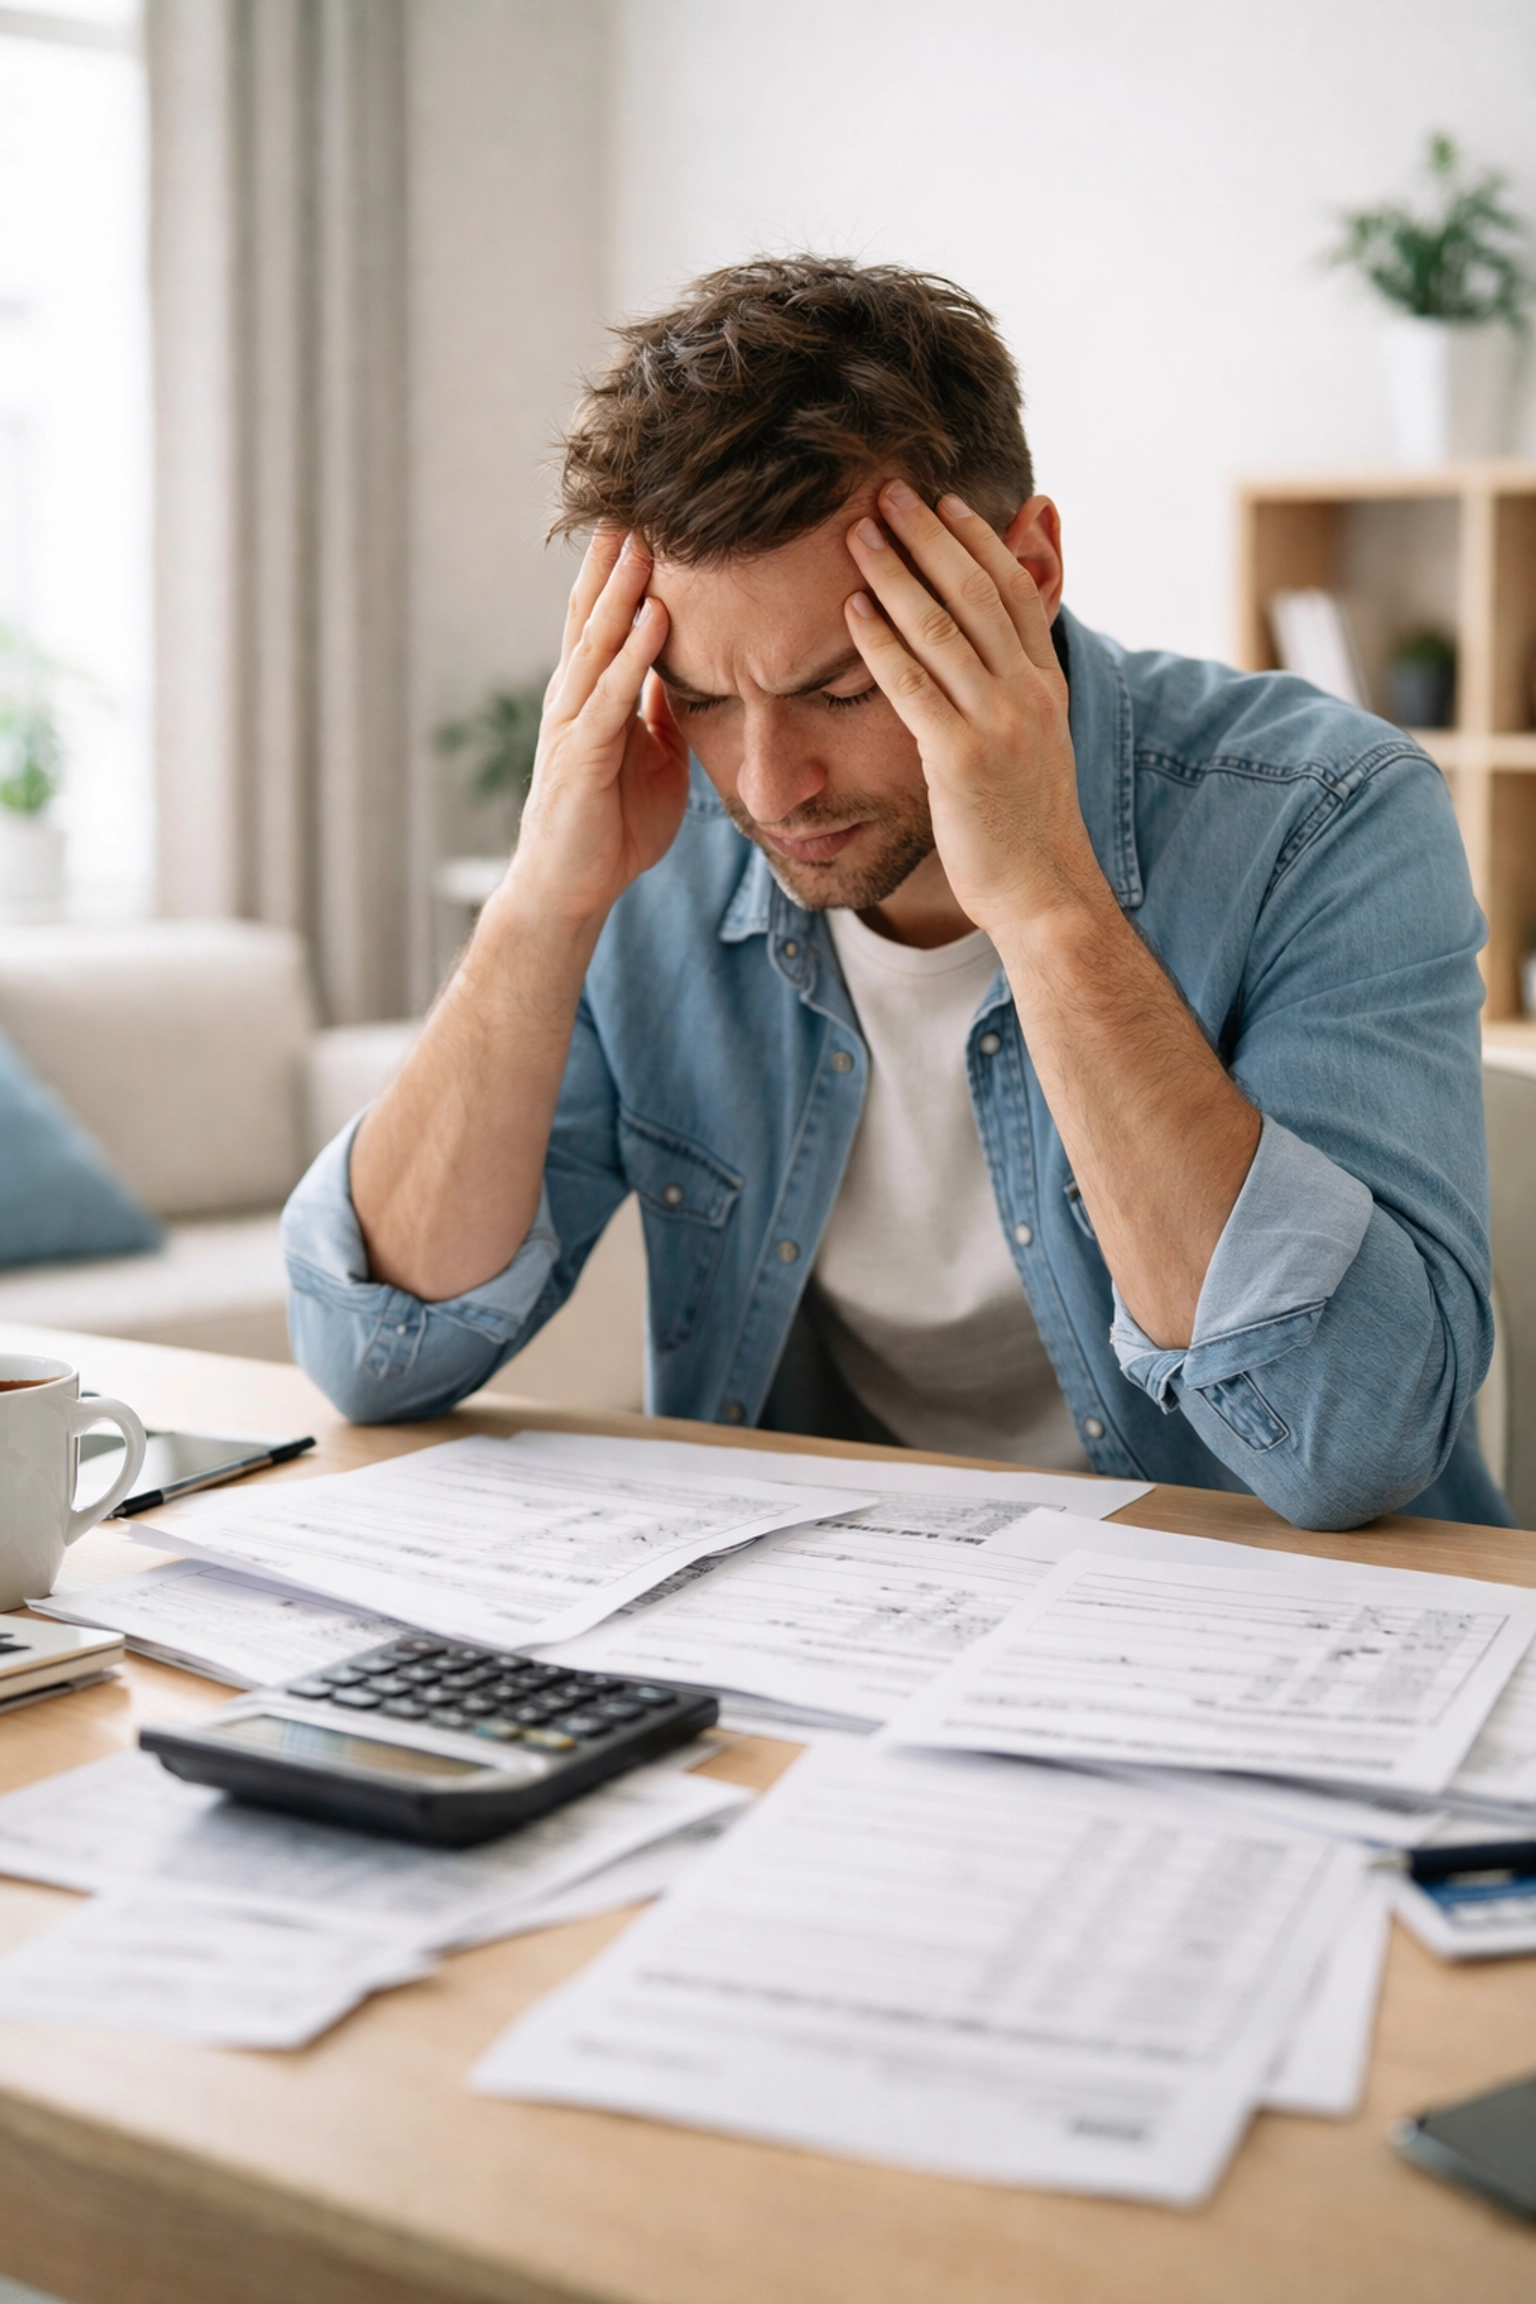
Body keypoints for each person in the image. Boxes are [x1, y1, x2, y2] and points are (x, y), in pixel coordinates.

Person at [283, 254, 1509, 1532]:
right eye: (702, 695)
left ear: (1026, 572)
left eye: (846, 687)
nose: (769, 785)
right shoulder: (654, 837)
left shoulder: (1323, 811)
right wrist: (544, 902)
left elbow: (1350, 1443)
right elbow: (377, 1358)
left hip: (1272, 1637)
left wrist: (1043, 899)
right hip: (836, 1629)